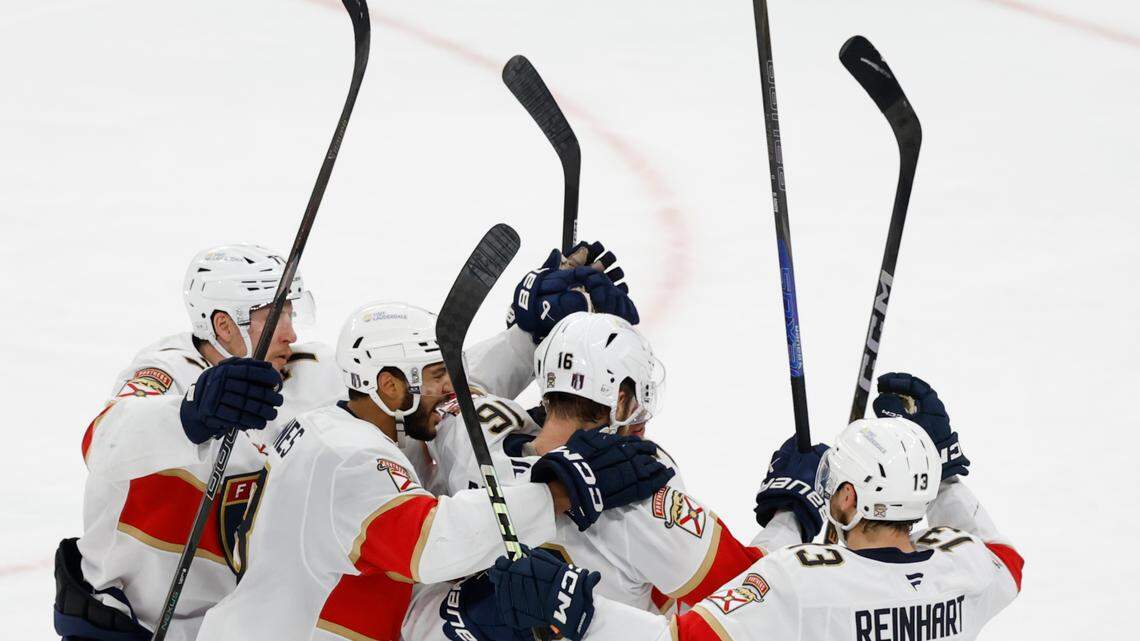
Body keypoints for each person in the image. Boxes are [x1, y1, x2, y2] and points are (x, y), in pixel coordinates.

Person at [55, 240, 636, 641]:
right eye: (269, 314)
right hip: (125, 621)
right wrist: (191, 416)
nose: (289, 329)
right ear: (223, 325)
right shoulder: (170, 372)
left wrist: (524, 335)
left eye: (290, 308)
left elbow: (423, 393)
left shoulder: (312, 374)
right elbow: (103, 443)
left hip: (221, 617)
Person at [193, 301, 672, 641]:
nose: (449, 389)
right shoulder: (351, 459)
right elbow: (433, 544)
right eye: (436, 375)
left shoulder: (338, 428)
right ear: (389, 386)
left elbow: (462, 416)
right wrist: (560, 489)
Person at [490, 375, 1025, 641]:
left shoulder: (798, 579)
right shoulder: (963, 568)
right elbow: (1007, 559)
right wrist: (948, 469)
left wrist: (583, 610)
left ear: (846, 498)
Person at [401, 312, 817, 641]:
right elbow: (747, 592)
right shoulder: (640, 493)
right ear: (619, 398)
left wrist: (526, 328)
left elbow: (453, 393)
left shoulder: (469, 437)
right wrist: (791, 511)